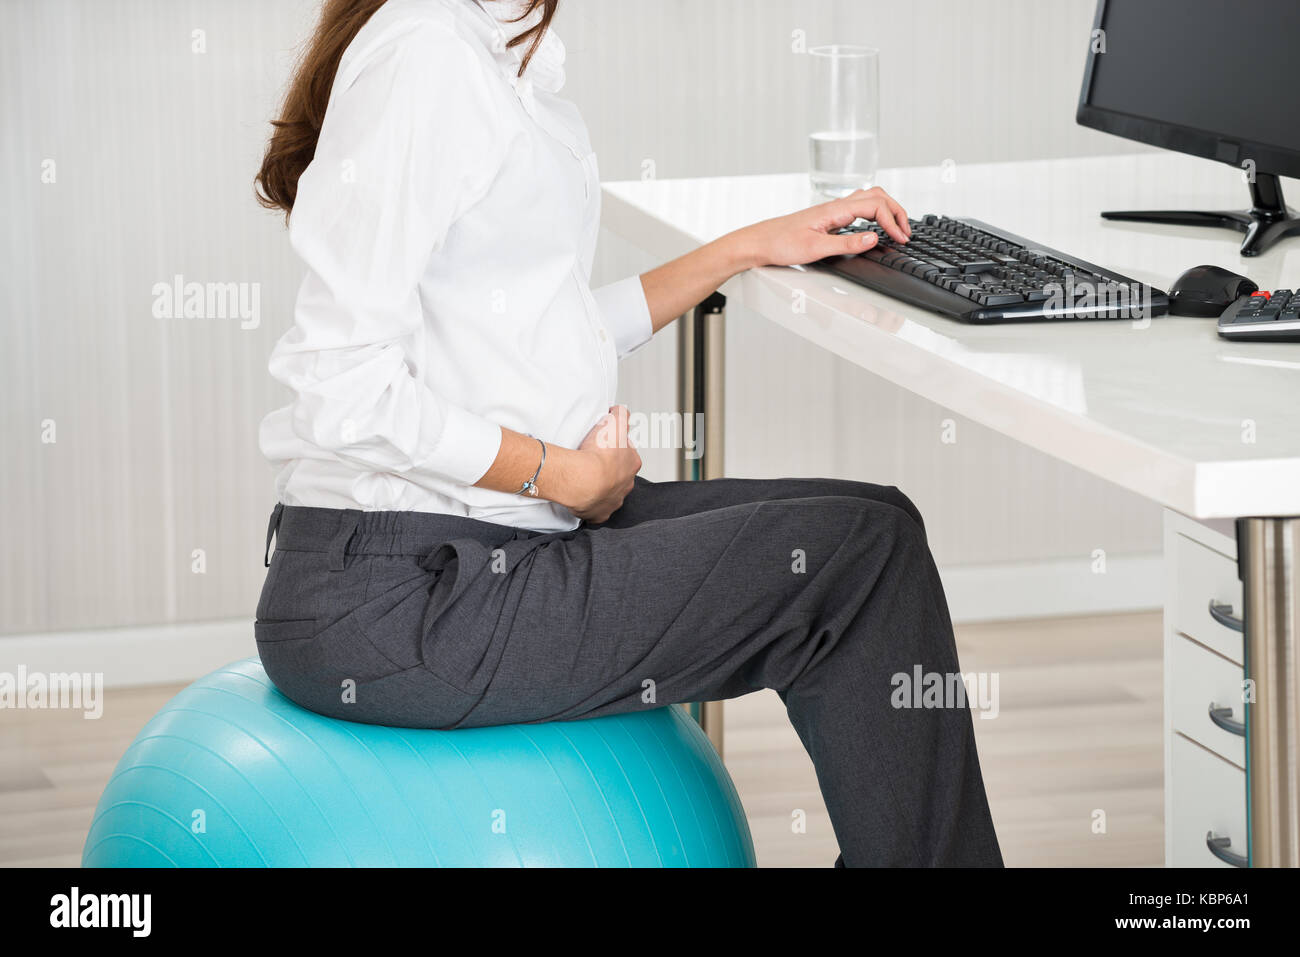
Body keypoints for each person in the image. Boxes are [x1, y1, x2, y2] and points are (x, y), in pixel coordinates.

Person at [252, 0, 1002, 867]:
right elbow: (338, 381)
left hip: (474, 545)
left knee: (883, 526)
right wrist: (559, 475)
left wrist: (745, 248)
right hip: (400, 597)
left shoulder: (482, 48)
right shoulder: (426, 52)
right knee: (860, 560)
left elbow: (534, 331)